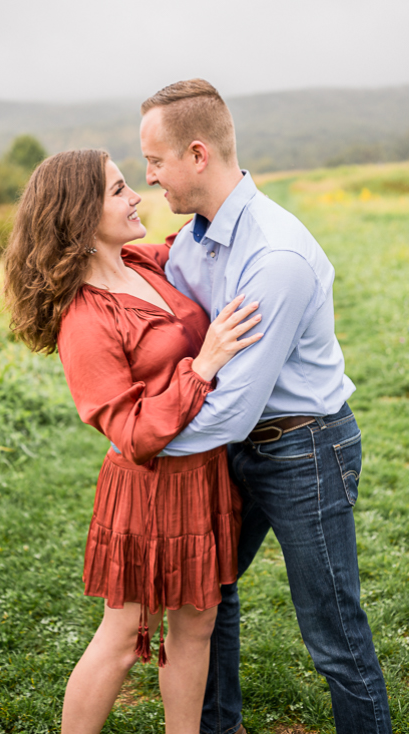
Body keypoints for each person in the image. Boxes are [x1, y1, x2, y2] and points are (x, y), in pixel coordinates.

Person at [139, 79, 390, 734]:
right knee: (207, 600)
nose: (149, 177)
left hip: (305, 450)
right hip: (234, 451)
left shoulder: (274, 253)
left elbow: (232, 411)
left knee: (334, 636)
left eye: (155, 161)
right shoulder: (191, 242)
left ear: (198, 155)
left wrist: (143, 441)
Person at [2, 149, 262, 734]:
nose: (135, 197)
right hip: (149, 487)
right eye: (119, 191)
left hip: (202, 473)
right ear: (78, 213)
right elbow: (133, 432)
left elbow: (195, 243)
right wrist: (206, 362)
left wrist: (229, 190)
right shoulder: (85, 318)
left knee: (196, 626)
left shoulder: (140, 264)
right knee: (122, 636)